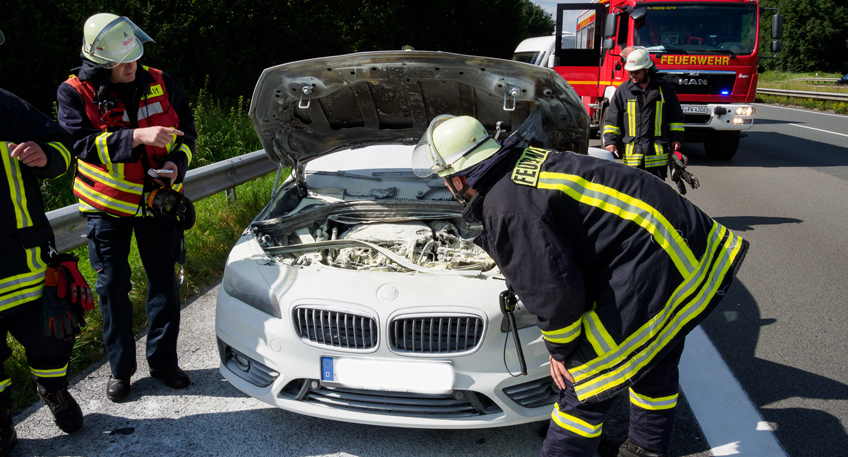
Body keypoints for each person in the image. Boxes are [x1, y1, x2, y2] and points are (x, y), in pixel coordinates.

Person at [411, 112, 747, 457]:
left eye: (447, 180)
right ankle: (647, 448)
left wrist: (562, 349)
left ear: (461, 176)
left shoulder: (507, 207)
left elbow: (552, 288)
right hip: (689, 245)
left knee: (585, 381)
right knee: (655, 356)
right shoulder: (525, 162)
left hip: (657, 263)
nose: (450, 189)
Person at [56, 13, 196, 402]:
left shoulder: (161, 80)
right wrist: (135, 136)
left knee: (164, 287)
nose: (131, 66)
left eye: (134, 56)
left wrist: (176, 164)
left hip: (158, 204)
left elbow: (188, 132)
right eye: (122, 62)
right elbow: (80, 146)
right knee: (113, 289)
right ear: (99, 61)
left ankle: (164, 363)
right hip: (106, 210)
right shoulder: (74, 92)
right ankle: (121, 371)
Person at [0, 28, 84, 453]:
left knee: (54, 335)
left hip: (27, 257)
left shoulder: (5, 104)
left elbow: (63, 145)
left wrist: (45, 156)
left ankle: (53, 390)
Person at [603, 47, 685, 181]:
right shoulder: (623, 90)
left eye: (636, 72)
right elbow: (612, 119)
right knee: (634, 194)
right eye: (630, 72)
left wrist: (676, 138)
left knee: (656, 195)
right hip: (633, 155)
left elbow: (676, 116)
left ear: (647, 69)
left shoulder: (665, 88)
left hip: (657, 156)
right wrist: (610, 141)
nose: (632, 75)